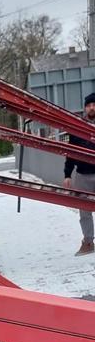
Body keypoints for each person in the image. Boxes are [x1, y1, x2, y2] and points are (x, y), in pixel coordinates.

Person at [63, 91, 95, 255]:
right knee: (84, 211)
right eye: (89, 106)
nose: (91, 108)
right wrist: (67, 174)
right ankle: (88, 242)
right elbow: (71, 153)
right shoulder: (78, 128)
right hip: (82, 174)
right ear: (85, 108)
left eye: (94, 105)